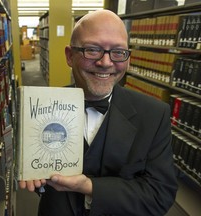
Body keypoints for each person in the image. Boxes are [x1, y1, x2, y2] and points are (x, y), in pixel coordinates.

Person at [19, 9, 178, 216]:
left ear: (128, 58)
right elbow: (37, 176)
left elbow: (160, 194)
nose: (105, 62)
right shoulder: (37, 108)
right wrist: (30, 172)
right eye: (92, 50)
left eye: (118, 52)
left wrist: (88, 187)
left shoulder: (155, 115)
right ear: (69, 56)